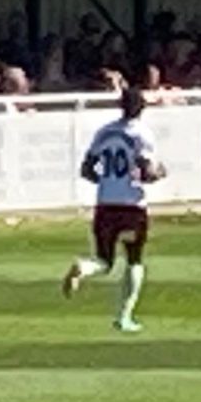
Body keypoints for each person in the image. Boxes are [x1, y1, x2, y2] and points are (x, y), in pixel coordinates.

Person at [62, 83, 168, 333]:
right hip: (132, 206)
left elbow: (87, 170)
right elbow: (146, 172)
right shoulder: (141, 134)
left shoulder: (104, 133)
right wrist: (160, 173)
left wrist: (108, 182)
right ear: (142, 108)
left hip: (105, 203)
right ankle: (125, 316)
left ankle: (83, 268)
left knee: (104, 260)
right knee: (134, 259)